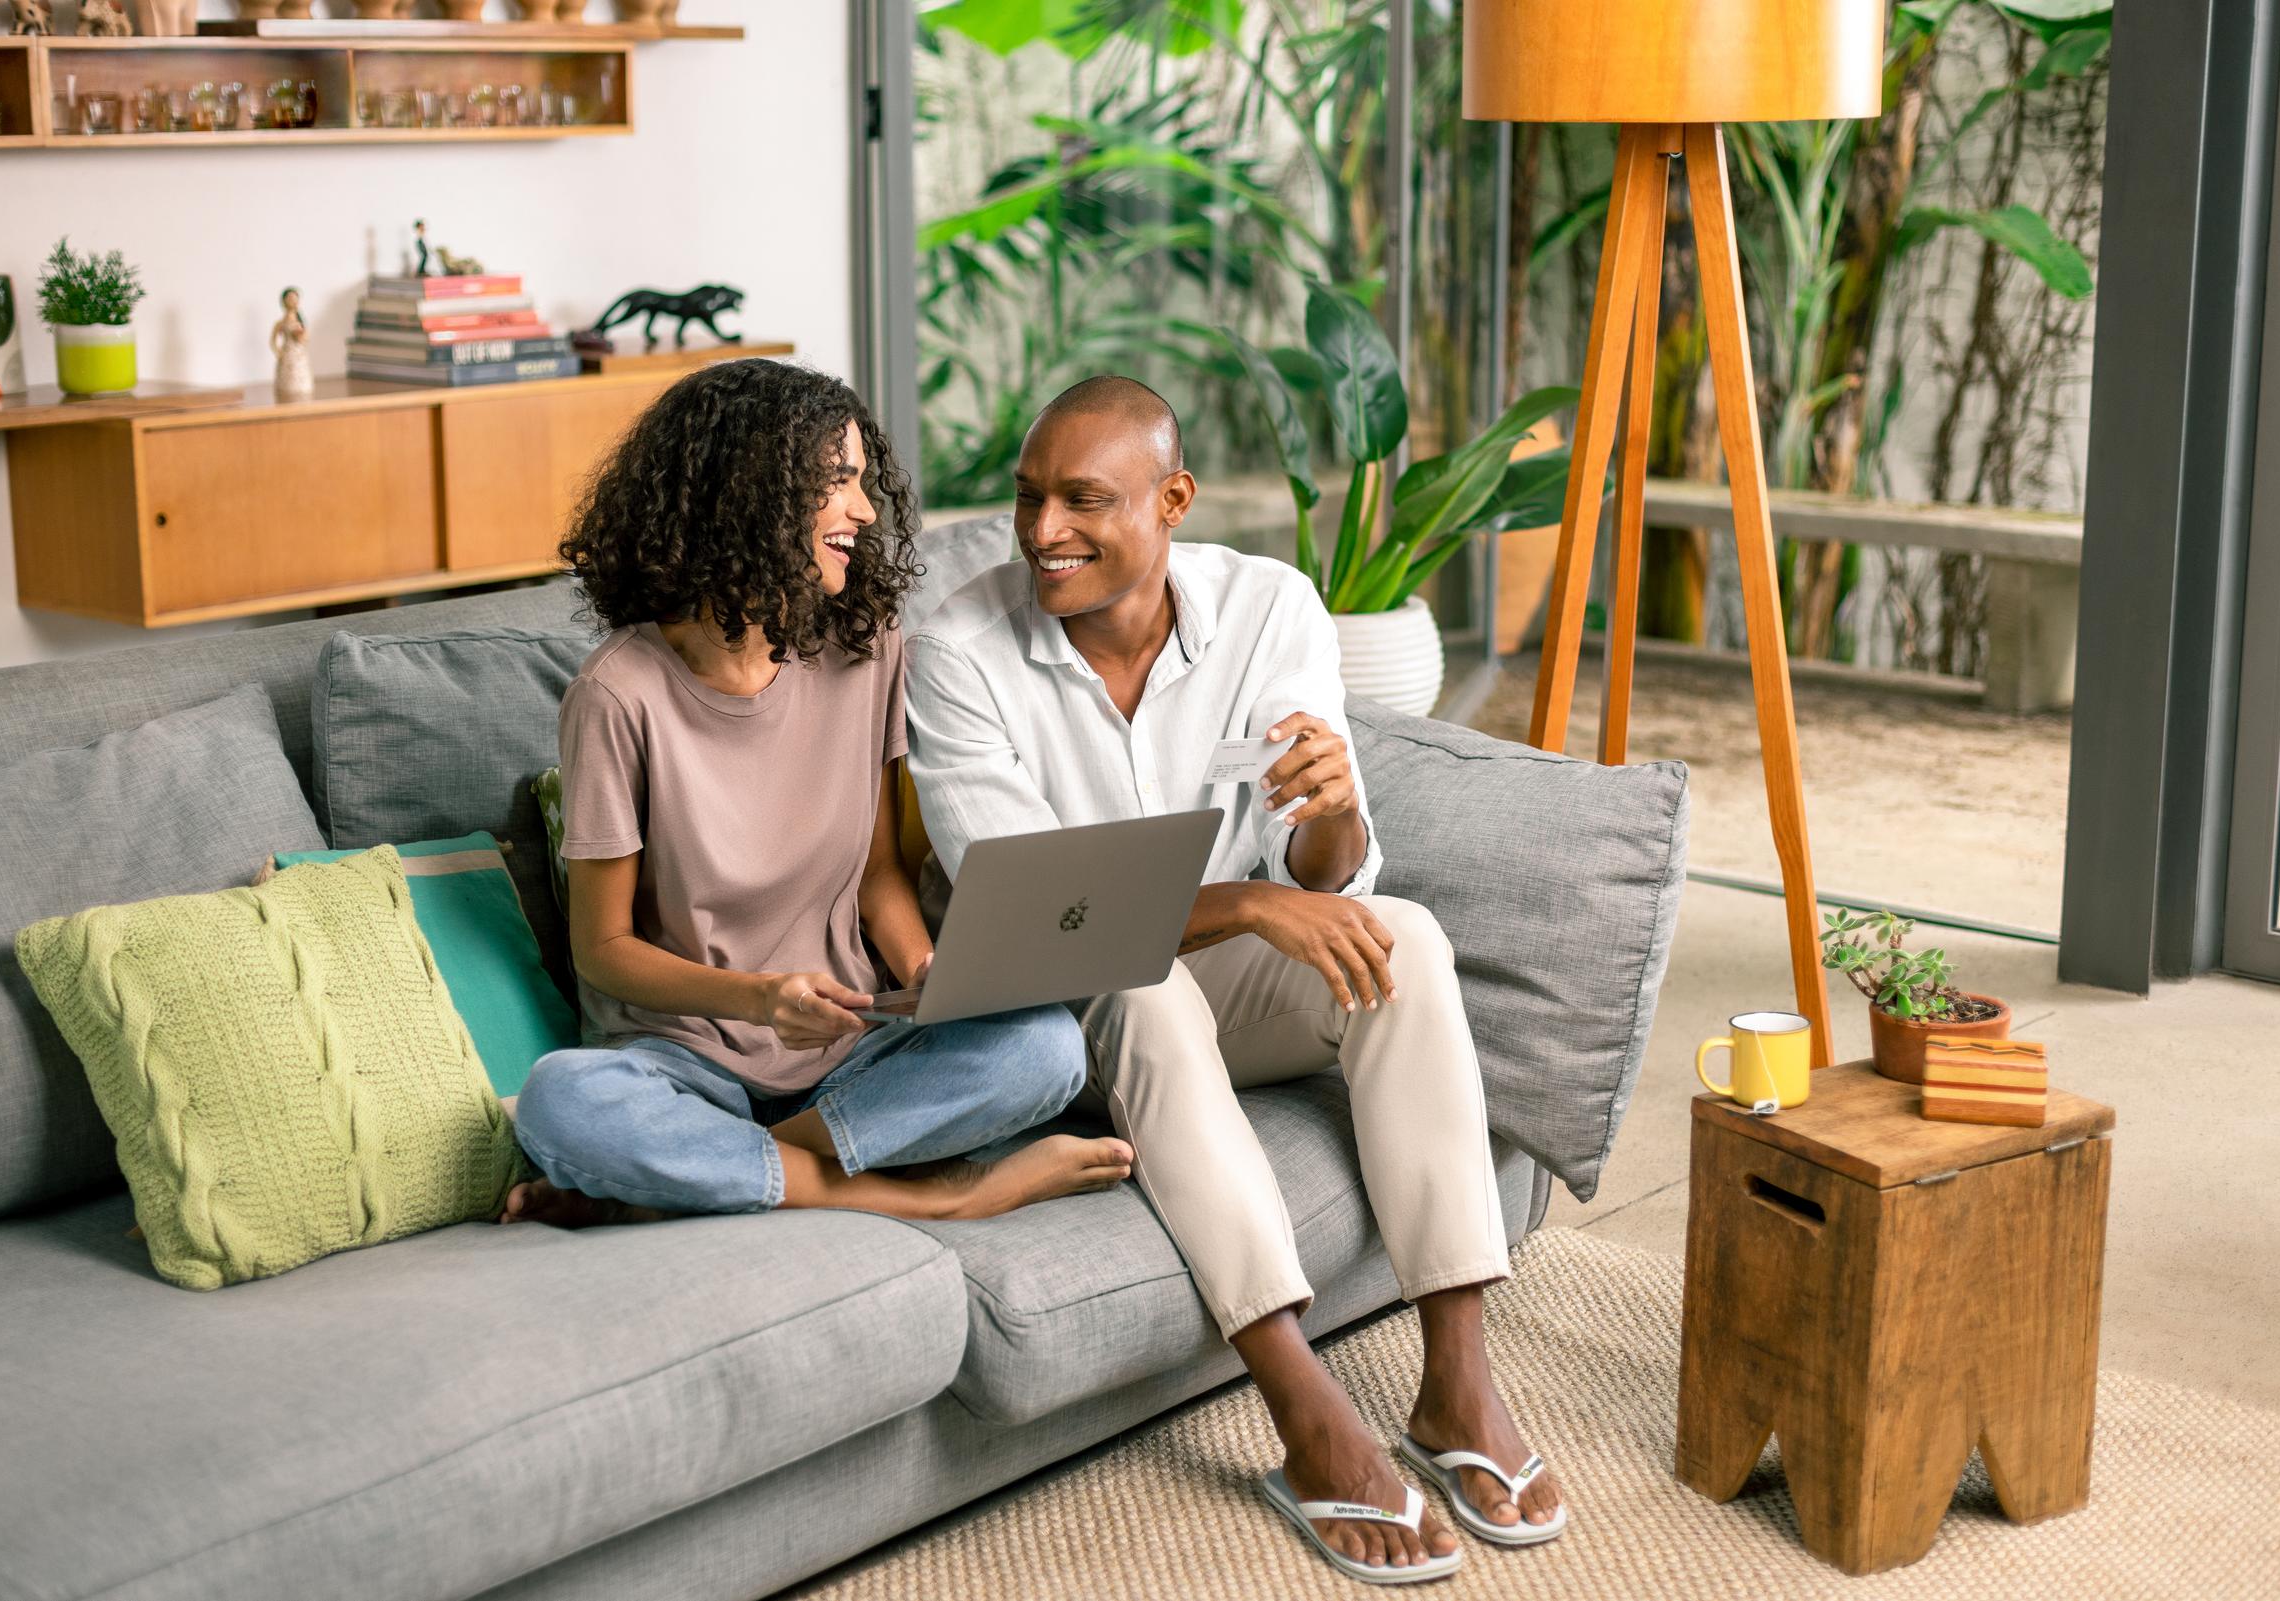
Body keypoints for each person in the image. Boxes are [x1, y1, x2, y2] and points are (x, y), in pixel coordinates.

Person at [906, 376, 1566, 1582]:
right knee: (1144, 984)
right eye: (1029, 495)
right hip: (1062, 1010)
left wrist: (1334, 811)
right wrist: (1255, 901)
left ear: (1173, 501)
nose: (1044, 528)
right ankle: (1305, 1408)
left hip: (1225, 988)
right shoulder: (956, 651)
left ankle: (1457, 1381)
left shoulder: (1272, 607)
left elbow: (1327, 871)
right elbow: (1040, 915)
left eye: (1084, 499)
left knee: (1406, 936)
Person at [501, 359, 1130, 1230]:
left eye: (864, 481)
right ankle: (934, 1193)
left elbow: (876, 874)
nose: (865, 511)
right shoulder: (617, 695)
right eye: (838, 481)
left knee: (1045, 1045)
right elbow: (603, 948)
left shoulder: (865, 645)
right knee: (560, 1100)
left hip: (848, 1051)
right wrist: (760, 998)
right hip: (683, 1062)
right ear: (748, 493)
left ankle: (697, 1178)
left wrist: (926, 972)